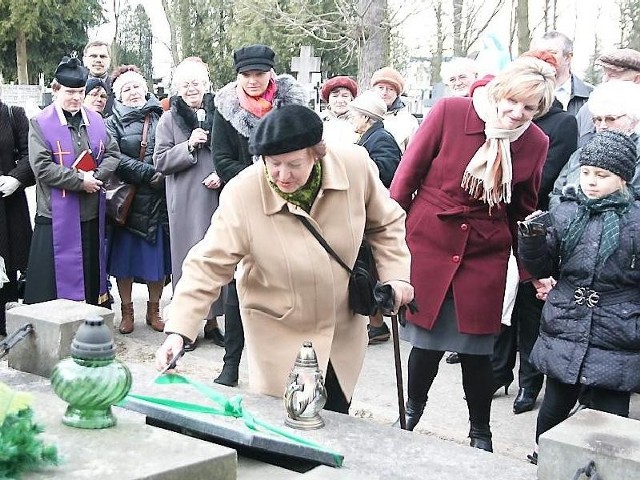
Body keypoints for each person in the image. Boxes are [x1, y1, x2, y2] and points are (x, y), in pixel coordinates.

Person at [156, 104, 414, 413]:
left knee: (334, 420)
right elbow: (208, 264)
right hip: (280, 334)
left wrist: (396, 276)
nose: (282, 175)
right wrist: (179, 331)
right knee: (288, 431)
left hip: (339, 334)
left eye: (293, 163)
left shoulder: (355, 167)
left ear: (317, 153)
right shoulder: (244, 192)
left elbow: (386, 223)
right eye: (273, 163)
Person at [389, 56, 556, 452]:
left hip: (485, 250)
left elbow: (523, 209)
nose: (517, 114)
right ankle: (410, 412)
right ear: (499, 91)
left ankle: (480, 431)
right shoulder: (451, 112)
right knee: (426, 341)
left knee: (478, 347)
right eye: (512, 102)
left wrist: (533, 270)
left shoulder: (536, 143)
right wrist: (388, 240)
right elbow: (406, 177)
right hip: (430, 241)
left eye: (529, 109)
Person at [518, 131, 640, 465]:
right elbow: (542, 265)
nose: (591, 181)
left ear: (623, 178)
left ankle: (602, 466)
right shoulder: (565, 212)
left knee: (610, 414)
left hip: (617, 328)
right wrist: (532, 240)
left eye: (602, 176)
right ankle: (547, 455)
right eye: (586, 172)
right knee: (555, 403)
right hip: (567, 322)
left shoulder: (636, 221)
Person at [210, 43, 306, 386]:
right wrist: (260, 180)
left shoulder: (291, 104)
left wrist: (282, 180)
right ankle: (231, 361)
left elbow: (305, 152)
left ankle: (287, 364)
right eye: (246, 75)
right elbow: (221, 158)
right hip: (245, 203)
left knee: (287, 283)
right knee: (239, 285)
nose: (252, 81)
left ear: (271, 74)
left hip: (291, 200)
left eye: (259, 74)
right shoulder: (224, 107)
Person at [490, 51, 579, 414]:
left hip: (534, 223)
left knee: (529, 312)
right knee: (500, 305)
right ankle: (498, 373)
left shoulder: (559, 124)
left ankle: (529, 382)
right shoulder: (494, 119)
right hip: (499, 223)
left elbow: (547, 175)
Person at [24, 56, 120, 306]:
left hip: (90, 215)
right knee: (51, 292)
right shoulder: (40, 123)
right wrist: (80, 181)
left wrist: (95, 178)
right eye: (70, 92)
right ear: (56, 90)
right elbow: (42, 168)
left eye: (80, 92)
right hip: (55, 216)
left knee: (89, 282)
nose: (76, 98)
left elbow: (113, 153)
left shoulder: (96, 120)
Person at [154, 57, 225, 349]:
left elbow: (233, 151)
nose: (191, 88)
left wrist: (221, 173)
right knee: (188, 260)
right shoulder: (168, 119)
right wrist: (188, 146)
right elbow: (160, 161)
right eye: (185, 84)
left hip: (216, 197)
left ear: (206, 85)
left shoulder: (220, 113)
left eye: (196, 83)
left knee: (218, 259)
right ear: (177, 88)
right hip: (184, 199)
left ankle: (212, 323)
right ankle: (187, 326)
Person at [105, 65, 170, 334]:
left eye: (136, 87)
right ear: (119, 95)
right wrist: (148, 174)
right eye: (126, 89)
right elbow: (114, 156)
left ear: (145, 89)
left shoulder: (162, 117)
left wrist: (163, 175)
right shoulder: (112, 122)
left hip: (158, 200)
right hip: (129, 202)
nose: (132, 92)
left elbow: (171, 147)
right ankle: (127, 311)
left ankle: (154, 310)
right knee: (125, 263)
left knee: (157, 263)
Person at [348, 90, 402, 345]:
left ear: (367, 118)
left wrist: (359, 169)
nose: (351, 119)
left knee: (369, 269)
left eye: (354, 115)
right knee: (367, 268)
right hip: (366, 209)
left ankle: (378, 324)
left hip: (374, 213)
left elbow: (387, 171)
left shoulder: (381, 139)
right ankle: (375, 322)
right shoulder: (371, 136)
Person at [550, 80, 640, 210]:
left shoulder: (637, 153)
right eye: (598, 119)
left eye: (611, 119)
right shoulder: (581, 153)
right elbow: (557, 193)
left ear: (634, 120)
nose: (603, 126)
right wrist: (564, 216)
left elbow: (633, 199)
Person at [0, 94, 33, 336]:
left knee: (8, 263)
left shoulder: (14, 115)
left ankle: (5, 322)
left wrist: (16, 178)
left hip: (7, 204)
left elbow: (31, 153)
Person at [575, 48, 640, 147]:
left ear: (636, 79)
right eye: (604, 74)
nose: (605, 80)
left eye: (613, 76)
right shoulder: (587, 110)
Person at [531, 31, 592, 116]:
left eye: (552, 52)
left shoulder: (590, 96)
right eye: (539, 53)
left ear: (568, 57)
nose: (544, 57)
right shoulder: (528, 91)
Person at [371, 66, 419, 152]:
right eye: (381, 88)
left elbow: (413, 154)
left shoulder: (408, 122)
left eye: (390, 89)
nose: (384, 92)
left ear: (397, 94)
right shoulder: (362, 116)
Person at [321, 75, 358, 143]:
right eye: (335, 96)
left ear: (352, 99)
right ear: (328, 100)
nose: (340, 100)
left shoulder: (359, 123)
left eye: (345, 96)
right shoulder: (319, 122)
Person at [83, 40, 114, 116]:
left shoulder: (119, 88)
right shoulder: (74, 87)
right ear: (84, 60)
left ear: (109, 60)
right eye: (93, 56)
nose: (98, 60)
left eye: (103, 56)